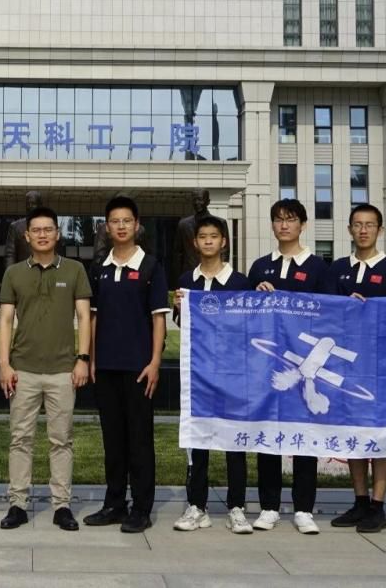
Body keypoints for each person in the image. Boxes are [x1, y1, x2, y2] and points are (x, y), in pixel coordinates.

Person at [0, 206, 92, 533]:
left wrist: (83, 358)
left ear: (57, 232)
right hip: (23, 370)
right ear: (27, 235)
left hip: (63, 370)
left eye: (48, 229)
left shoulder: (75, 270)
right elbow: (6, 320)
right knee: (20, 438)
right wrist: (5, 363)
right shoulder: (13, 274)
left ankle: (62, 506)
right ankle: (17, 504)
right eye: (36, 230)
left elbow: (83, 317)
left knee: (61, 440)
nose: (42, 234)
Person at [246, 198, 334, 535]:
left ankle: (303, 507)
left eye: (291, 219)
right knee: (268, 434)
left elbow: (330, 312)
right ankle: (268, 506)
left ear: (302, 225)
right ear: (272, 225)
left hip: (305, 367)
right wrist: (257, 293)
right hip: (269, 366)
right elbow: (245, 313)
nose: (284, 225)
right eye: (279, 220)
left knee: (304, 435)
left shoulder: (317, 268)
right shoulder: (260, 267)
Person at [84, 195, 169, 533]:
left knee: (139, 440)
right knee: (113, 440)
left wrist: (155, 362)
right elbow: (91, 318)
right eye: (114, 221)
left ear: (136, 225)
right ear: (107, 227)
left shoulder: (150, 266)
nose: (120, 226)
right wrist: (89, 358)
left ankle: (141, 508)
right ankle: (114, 503)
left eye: (126, 221)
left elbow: (159, 320)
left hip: (138, 368)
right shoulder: (100, 268)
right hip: (105, 366)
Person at [327, 203, 386, 534]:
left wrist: (372, 310)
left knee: (379, 434)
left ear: (380, 230)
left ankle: (378, 505)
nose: (363, 230)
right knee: (353, 434)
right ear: (349, 229)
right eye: (358, 224)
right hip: (345, 366)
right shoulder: (336, 270)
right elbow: (323, 315)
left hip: (380, 365)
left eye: (370, 225)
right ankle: (360, 501)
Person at [172, 215, 253, 534]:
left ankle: (236, 507)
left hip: (233, 374)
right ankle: (197, 506)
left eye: (213, 236)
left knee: (235, 442)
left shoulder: (239, 282)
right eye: (202, 236)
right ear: (195, 243)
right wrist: (180, 306)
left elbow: (250, 325)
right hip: (198, 375)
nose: (207, 241)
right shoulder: (186, 281)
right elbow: (184, 323)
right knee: (198, 441)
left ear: (224, 242)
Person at [174, 190, 229, 276]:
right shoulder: (183, 224)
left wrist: (221, 272)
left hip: (214, 273)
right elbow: (178, 253)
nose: (197, 203)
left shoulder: (220, 223)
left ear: (208, 201)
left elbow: (224, 251)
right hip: (190, 273)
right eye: (194, 200)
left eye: (200, 199)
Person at [3, 190, 44, 266]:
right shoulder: (16, 227)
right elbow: (10, 254)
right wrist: (10, 274)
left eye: (33, 203)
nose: (30, 206)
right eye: (28, 204)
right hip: (22, 273)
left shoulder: (49, 227)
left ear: (40, 205)